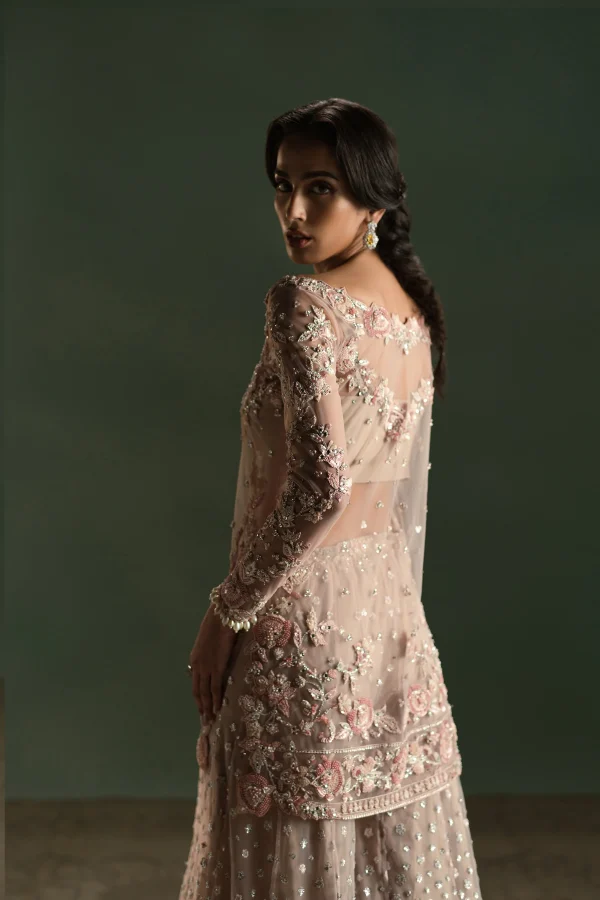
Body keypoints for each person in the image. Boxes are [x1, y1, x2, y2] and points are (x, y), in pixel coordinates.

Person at [179, 98, 483, 900]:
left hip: (301, 622)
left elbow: (320, 490)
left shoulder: (304, 304)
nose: (295, 211)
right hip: (387, 619)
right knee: (384, 853)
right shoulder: (412, 311)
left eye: (321, 189)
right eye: (283, 186)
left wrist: (226, 612)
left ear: (373, 201)